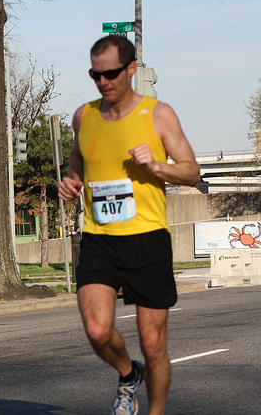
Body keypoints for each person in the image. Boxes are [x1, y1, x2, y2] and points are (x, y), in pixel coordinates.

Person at [58, 36, 200, 415]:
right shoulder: (83, 116)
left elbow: (192, 171)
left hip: (148, 239)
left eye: (111, 74)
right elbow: (78, 159)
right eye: (95, 74)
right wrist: (71, 181)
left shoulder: (158, 115)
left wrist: (156, 165)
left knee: (153, 346)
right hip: (99, 239)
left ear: (131, 69)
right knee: (97, 331)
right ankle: (127, 374)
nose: (103, 82)